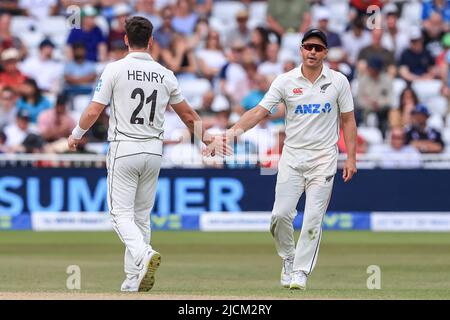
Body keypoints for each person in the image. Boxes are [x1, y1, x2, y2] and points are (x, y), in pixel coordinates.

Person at [67, 16, 222, 293]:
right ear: (151, 41)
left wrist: (76, 134)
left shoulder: (115, 69)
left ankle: (143, 254)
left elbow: (93, 110)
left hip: (124, 148)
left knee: (119, 214)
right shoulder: (165, 74)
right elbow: (187, 114)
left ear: (126, 40)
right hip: (153, 150)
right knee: (141, 216)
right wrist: (207, 138)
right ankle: (132, 278)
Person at [210, 29, 357, 290]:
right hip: (292, 157)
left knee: (313, 218)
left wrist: (351, 157)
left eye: (318, 48)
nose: (312, 52)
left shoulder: (338, 81)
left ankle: (301, 270)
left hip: (323, 158)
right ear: (301, 49)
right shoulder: (285, 81)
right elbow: (259, 112)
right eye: (308, 47)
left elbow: (348, 119)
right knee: (280, 216)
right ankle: (288, 259)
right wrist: (230, 135)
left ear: (325, 53)